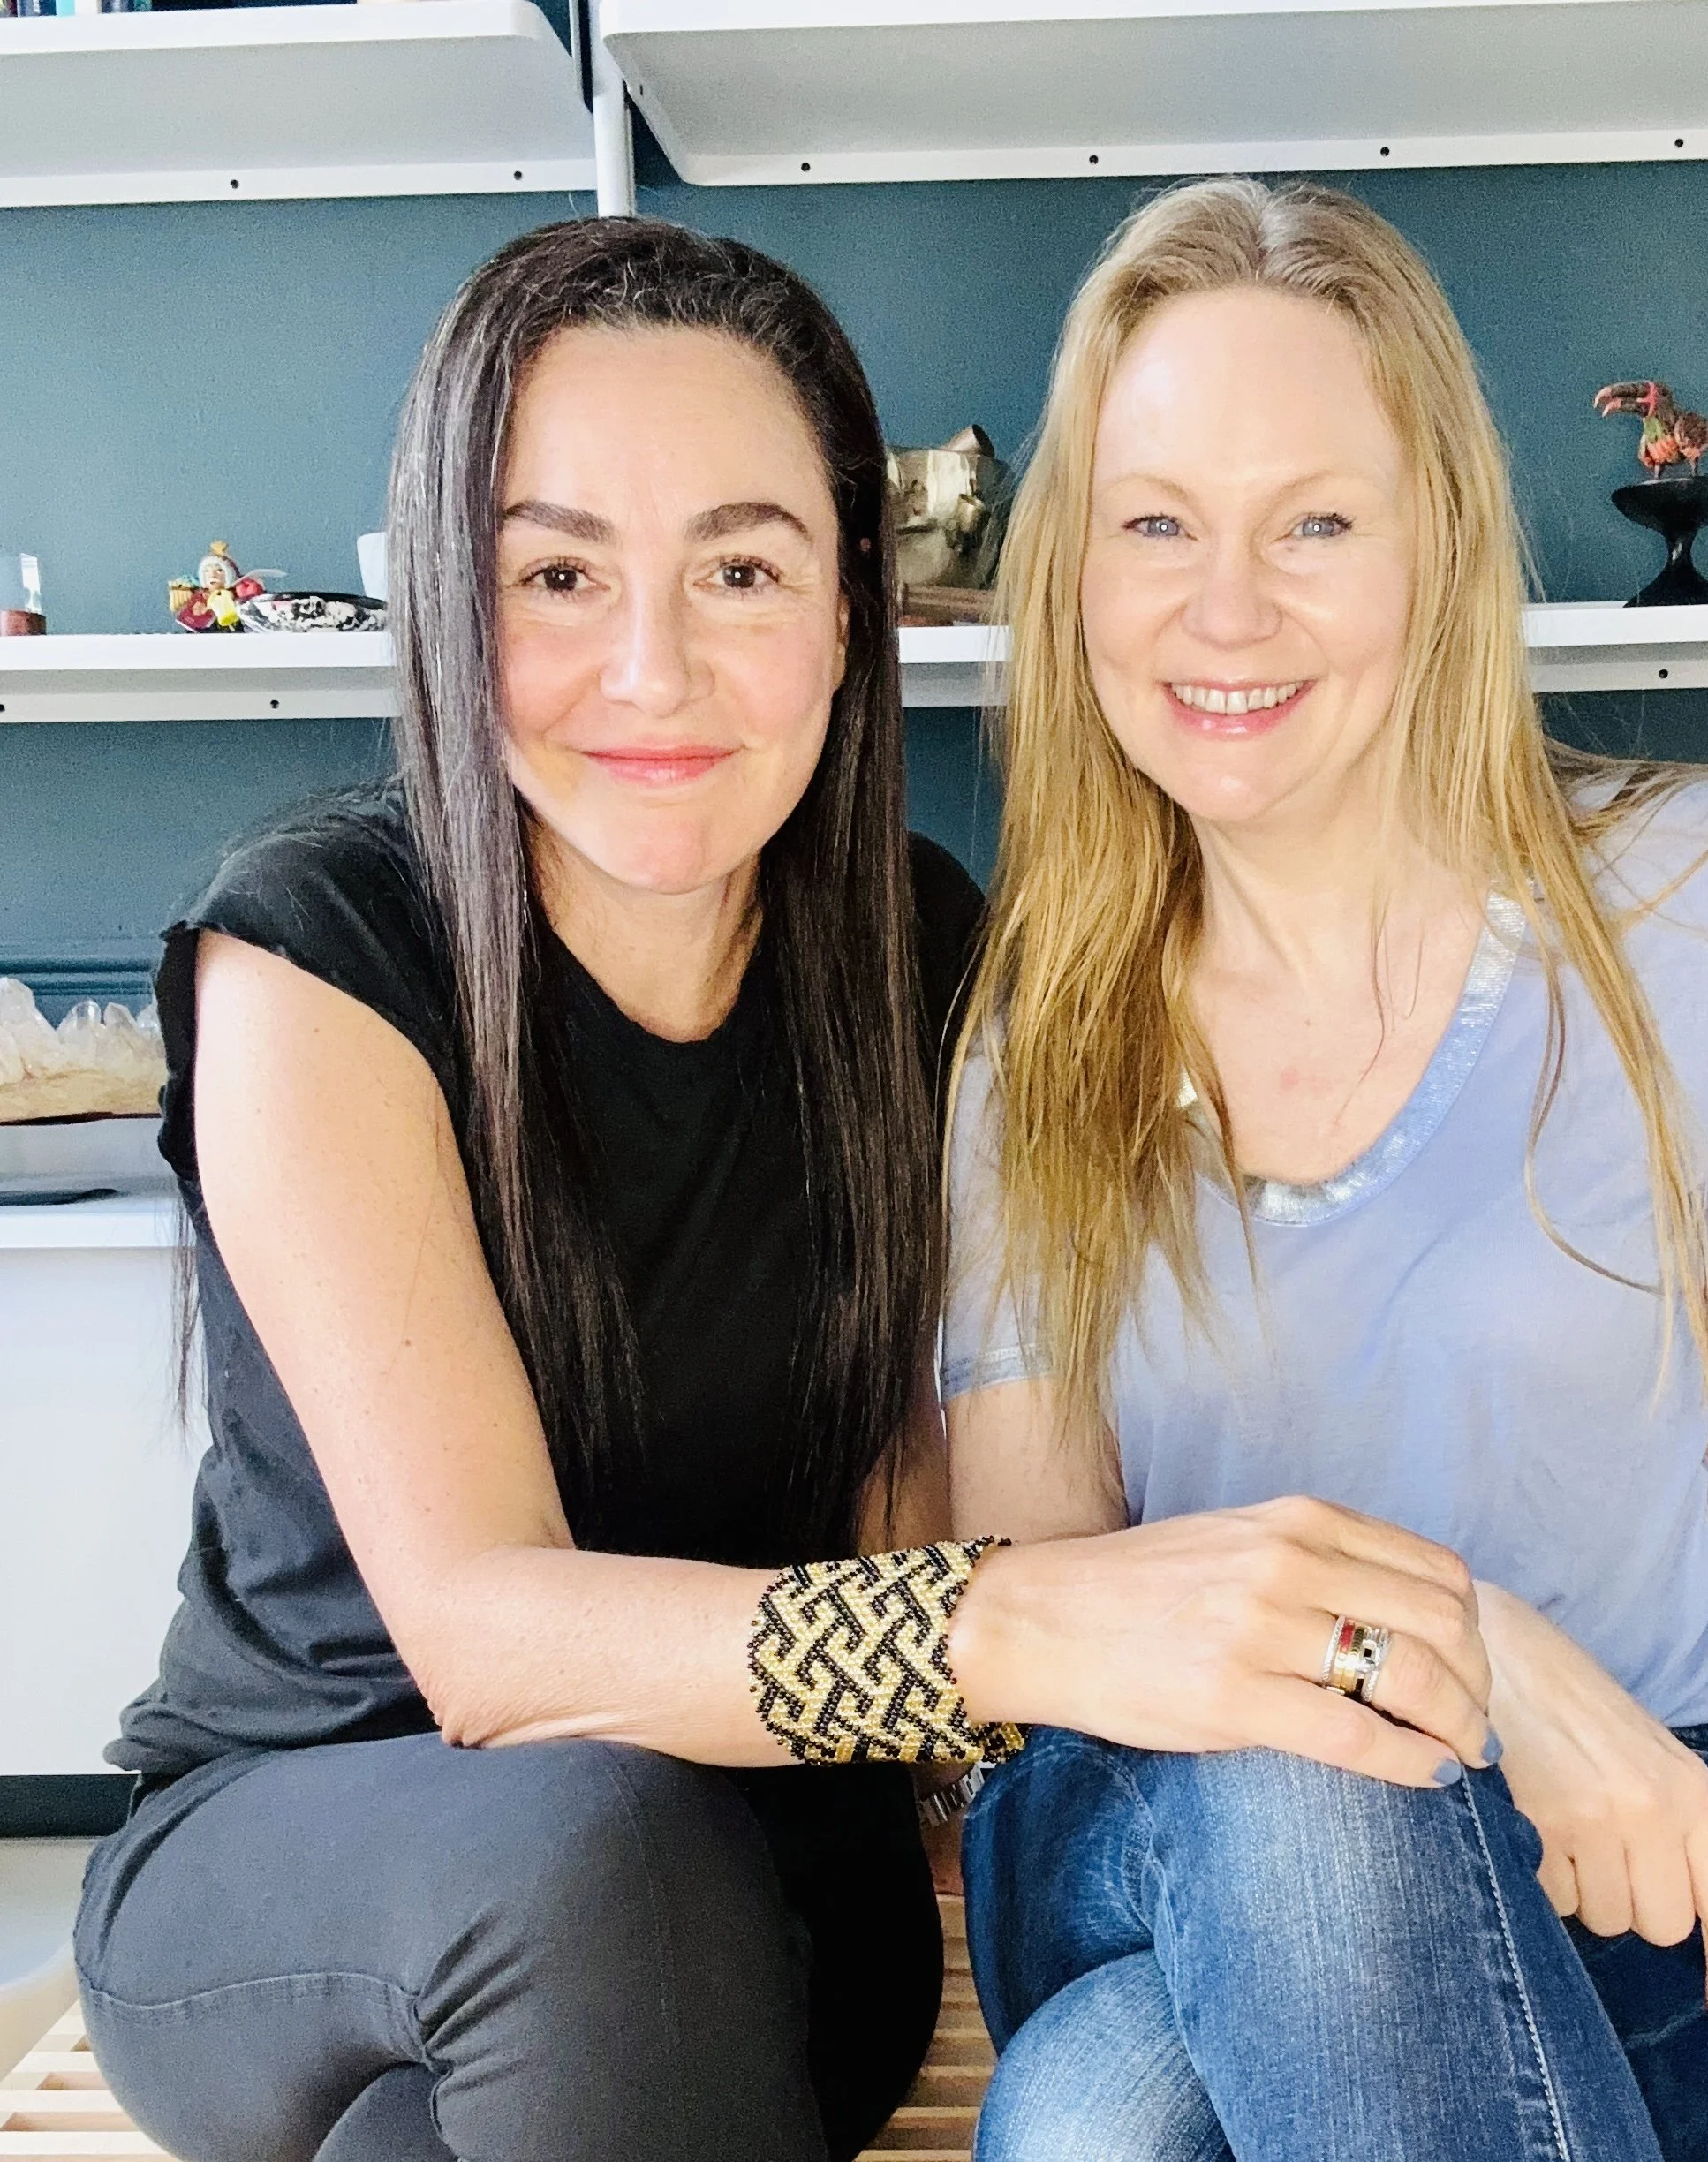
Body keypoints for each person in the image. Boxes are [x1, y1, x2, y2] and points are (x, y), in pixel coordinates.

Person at [70, 214, 1504, 2162]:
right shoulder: (320, 957)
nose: (650, 669)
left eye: (741, 568)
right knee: (584, 1846)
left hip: (752, 1859)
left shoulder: (922, 952)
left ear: (848, 610)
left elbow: (938, 1478)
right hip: (305, 1847)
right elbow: (491, 1648)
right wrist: (1021, 1629)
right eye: (558, 572)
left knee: (507, 2047)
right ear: (448, 607)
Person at [941, 178, 1708, 2162]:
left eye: (1317, 524)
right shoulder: (1029, 1045)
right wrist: (1465, 1658)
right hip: (1153, 1833)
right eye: (1155, 521)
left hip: (1639, 1860)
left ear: (1435, 545)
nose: (1226, 608)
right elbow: (1051, 1615)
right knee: (1313, 1772)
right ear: (1070, 576)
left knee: (1100, 2116)